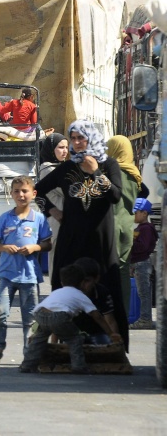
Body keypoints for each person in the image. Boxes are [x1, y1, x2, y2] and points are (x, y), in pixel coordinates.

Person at [34, 120, 128, 350]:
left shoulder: (109, 165)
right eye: (73, 138)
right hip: (72, 238)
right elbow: (37, 191)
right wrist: (51, 210)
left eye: (80, 138)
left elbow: (115, 196)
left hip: (100, 240)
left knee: (105, 287)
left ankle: (112, 343)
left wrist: (95, 172)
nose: (76, 144)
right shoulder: (66, 169)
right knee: (65, 285)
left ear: (92, 138)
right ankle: (66, 341)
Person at [0, 176, 52, 365]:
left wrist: (35, 248)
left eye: (24, 191)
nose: (21, 195)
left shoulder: (38, 219)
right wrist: (4, 248)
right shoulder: (5, 218)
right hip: (6, 274)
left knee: (30, 318)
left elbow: (47, 243)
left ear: (33, 193)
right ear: (11, 194)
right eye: (16, 191)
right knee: (0, 312)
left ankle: (29, 353)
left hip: (30, 276)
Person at [19, 264, 121, 374]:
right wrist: (111, 333)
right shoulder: (80, 295)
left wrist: (54, 341)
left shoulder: (57, 292)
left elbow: (51, 311)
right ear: (82, 283)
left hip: (39, 313)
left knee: (38, 340)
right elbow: (97, 316)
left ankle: (27, 365)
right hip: (59, 316)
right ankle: (79, 366)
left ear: (62, 282)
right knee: (75, 339)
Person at [106, 135, 141, 315]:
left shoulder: (111, 173)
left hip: (111, 226)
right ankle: (124, 312)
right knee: (123, 270)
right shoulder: (135, 174)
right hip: (128, 229)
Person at [37, 133, 68, 273]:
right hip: (58, 220)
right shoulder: (48, 169)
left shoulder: (60, 167)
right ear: (51, 149)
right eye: (60, 147)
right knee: (57, 257)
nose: (65, 151)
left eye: (66, 147)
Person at [72, 257, 120, 344]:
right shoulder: (69, 293)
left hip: (97, 334)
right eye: (79, 280)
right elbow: (58, 321)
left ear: (96, 279)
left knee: (103, 343)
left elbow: (110, 321)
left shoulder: (102, 293)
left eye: (87, 281)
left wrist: (116, 344)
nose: (82, 284)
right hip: (73, 334)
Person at [129, 197, 157, 329]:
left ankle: (145, 320)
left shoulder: (146, 228)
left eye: (136, 212)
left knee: (144, 293)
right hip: (139, 263)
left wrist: (130, 243)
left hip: (142, 264)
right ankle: (144, 318)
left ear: (144, 213)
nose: (134, 215)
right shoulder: (141, 227)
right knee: (142, 292)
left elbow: (143, 247)